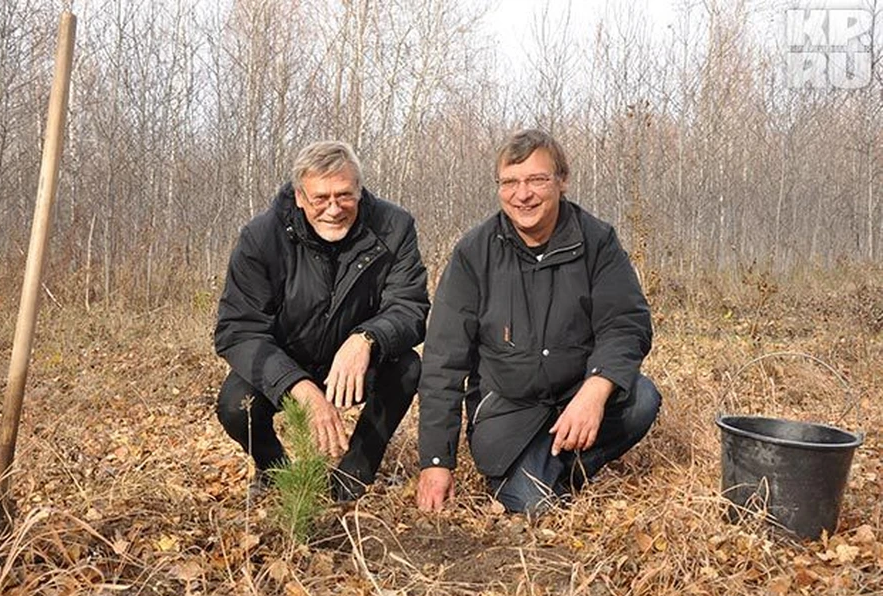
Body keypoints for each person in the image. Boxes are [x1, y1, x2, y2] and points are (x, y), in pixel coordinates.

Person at [416, 129, 661, 514]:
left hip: (574, 396)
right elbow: (443, 360)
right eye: (510, 182)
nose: (523, 194)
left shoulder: (597, 241)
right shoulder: (473, 253)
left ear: (562, 181)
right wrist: (436, 462)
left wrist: (595, 391)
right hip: (507, 413)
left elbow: (625, 323)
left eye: (537, 180)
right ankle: (539, 478)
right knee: (532, 505)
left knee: (641, 397)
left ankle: (560, 467)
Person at [215, 141, 429, 501]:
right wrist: (298, 386)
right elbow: (238, 330)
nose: (334, 209)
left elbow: (410, 306)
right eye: (321, 198)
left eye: (345, 195)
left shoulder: (395, 227)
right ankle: (276, 473)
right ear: (300, 196)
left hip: (354, 365)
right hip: (286, 362)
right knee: (236, 405)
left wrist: (366, 338)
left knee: (407, 367)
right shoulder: (261, 237)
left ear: (359, 191)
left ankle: (353, 477)